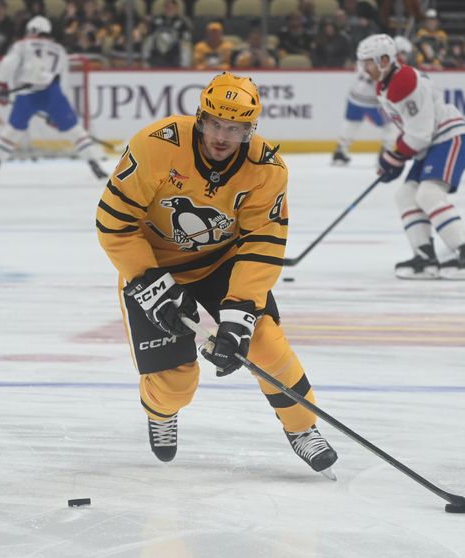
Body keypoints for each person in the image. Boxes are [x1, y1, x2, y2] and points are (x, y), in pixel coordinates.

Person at [95, 72, 339, 477]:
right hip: (152, 267)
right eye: (215, 124)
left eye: (236, 128)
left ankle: (302, 427)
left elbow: (262, 246)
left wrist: (239, 314)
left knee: (263, 341)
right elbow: (115, 224)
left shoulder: (267, 169)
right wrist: (151, 285)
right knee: (176, 382)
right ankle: (160, 411)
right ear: (201, 118)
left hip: (221, 262)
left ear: (250, 130)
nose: (222, 137)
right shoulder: (156, 145)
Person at [358, 34, 465, 280]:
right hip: (433, 144)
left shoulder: (404, 81)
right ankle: (425, 258)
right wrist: (393, 156)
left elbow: (420, 134)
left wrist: (392, 158)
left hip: (450, 139)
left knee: (428, 194)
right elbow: (412, 130)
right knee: (405, 195)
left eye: (368, 62)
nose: (365, 68)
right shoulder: (386, 84)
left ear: (384, 60)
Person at [0, 16, 107, 182]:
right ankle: (94, 164)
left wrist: (1, 84)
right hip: (52, 92)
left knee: (12, 131)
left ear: (32, 30)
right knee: (75, 131)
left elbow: (8, 63)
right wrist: (55, 111)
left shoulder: (22, 45)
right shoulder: (59, 49)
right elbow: (63, 80)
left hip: (26, 92)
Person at [332, 35, 411, 165]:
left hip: (355, 95)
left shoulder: (369, 55)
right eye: (403, 53)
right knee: (390, 126)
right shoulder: (390, 62)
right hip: (373, 101)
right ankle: (386, 154)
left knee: (351, 123)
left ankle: (340, 151)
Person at [142, 0, 192, 68]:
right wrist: (145, 59)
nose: (169, 9)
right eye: (167, 7)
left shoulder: (183, 24)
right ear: (163, 8)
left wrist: (185, 64)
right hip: (155, 60)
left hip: (175, 61)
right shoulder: (155, 21)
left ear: (176, 8)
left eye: (172, 7)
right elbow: (148, 41)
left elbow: (185, 45)